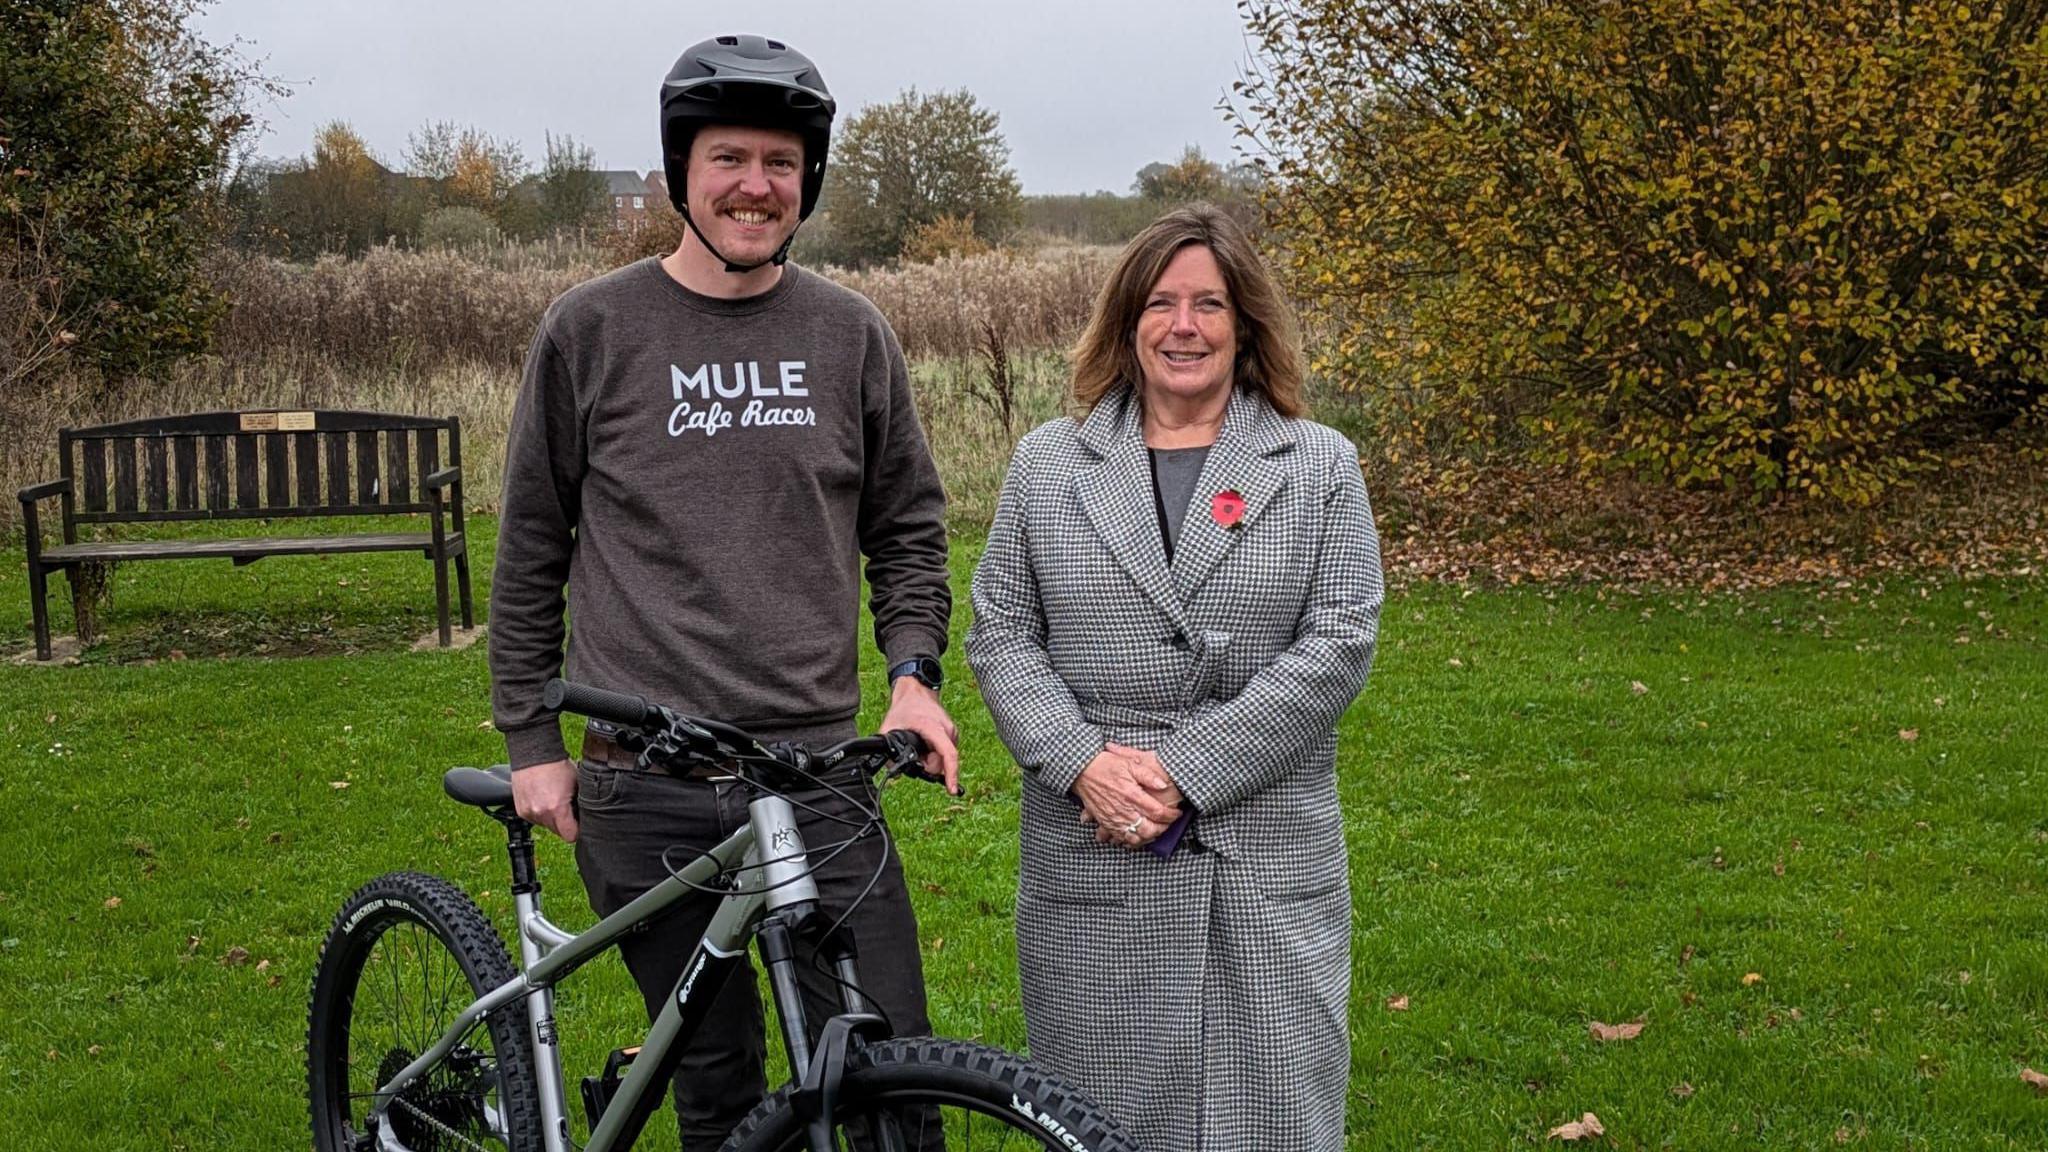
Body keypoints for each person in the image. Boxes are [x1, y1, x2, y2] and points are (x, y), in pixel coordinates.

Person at [488, 34, 958, 1151]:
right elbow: (529, 550)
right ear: (679, 174)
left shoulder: (849, 335)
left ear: (808, 182)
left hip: (816, 771)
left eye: (782, 163)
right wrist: (530, 738)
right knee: (723, 1093)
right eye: (730, 158)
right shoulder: (590, 330)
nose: (756, 184)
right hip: (640, 780)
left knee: (888, 1069)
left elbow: (907, 530)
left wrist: (912, 676)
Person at [966, 203, 1383, 1150]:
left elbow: (1339, 641)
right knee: (1104, 1122)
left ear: (1246, 325)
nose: (1183, 326)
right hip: (1095, 842)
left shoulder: (1317, 466)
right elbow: (1001, 629)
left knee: (1272, 1117)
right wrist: (1080, 760)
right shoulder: (1048, 465)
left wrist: (1184, 771)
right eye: (1160, 303)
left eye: (1209, 303)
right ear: (1127, 322)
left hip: (1260, 842)